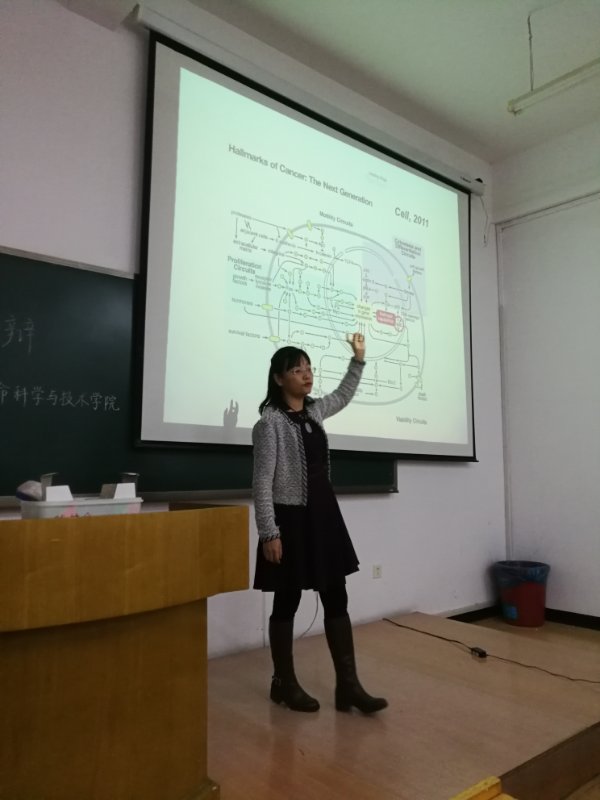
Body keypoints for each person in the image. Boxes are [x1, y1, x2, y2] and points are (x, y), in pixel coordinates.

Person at [252, 333, 387, 714]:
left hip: (323, 515)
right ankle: (283, 683)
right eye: (297, 370)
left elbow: (342, 394)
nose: (307, 375)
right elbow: (261, 482)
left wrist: (358, 359)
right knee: (288, 598)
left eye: (309, 368)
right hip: (290, 519)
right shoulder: (269, 424)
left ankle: (348, 687)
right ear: (279, 378)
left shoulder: (314, 412)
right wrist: (269, 532)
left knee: (336, 595)